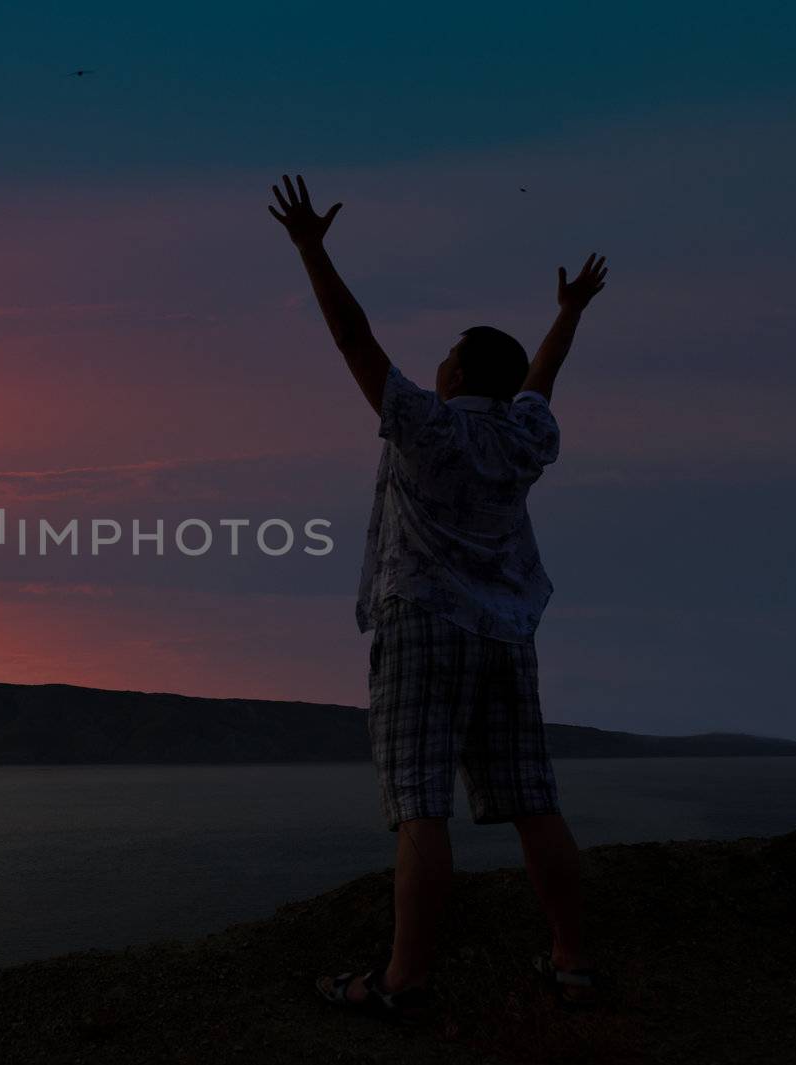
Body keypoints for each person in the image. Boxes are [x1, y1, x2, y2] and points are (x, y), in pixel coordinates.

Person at [266, 173, 609, 1022]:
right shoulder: (527, 432)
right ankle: (573, 961)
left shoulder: (429, 423)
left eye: (450, 354)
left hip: (423, 622)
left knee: (420, 805)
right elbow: (545, 375)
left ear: (458, 371)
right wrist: (570, 312)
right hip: (507, 631)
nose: (440, 360)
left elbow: (354, 337)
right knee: (534, 798)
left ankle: (404, 981)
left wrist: (313, 250)